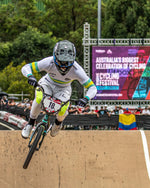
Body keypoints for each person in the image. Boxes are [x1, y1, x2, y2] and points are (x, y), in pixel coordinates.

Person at [21, 40, 97, 138]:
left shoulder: (77, 70)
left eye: (67, 62)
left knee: (63, 109)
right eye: (60, 61)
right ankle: (30, 123)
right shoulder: (48, 62)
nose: (64, 66)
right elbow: (26, 67)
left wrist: (86, 98)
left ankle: (57, 124)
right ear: (55, 56)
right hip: (47, 83)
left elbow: (92, 87)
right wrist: (30, 76)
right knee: (39, 99)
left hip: (63, 89)